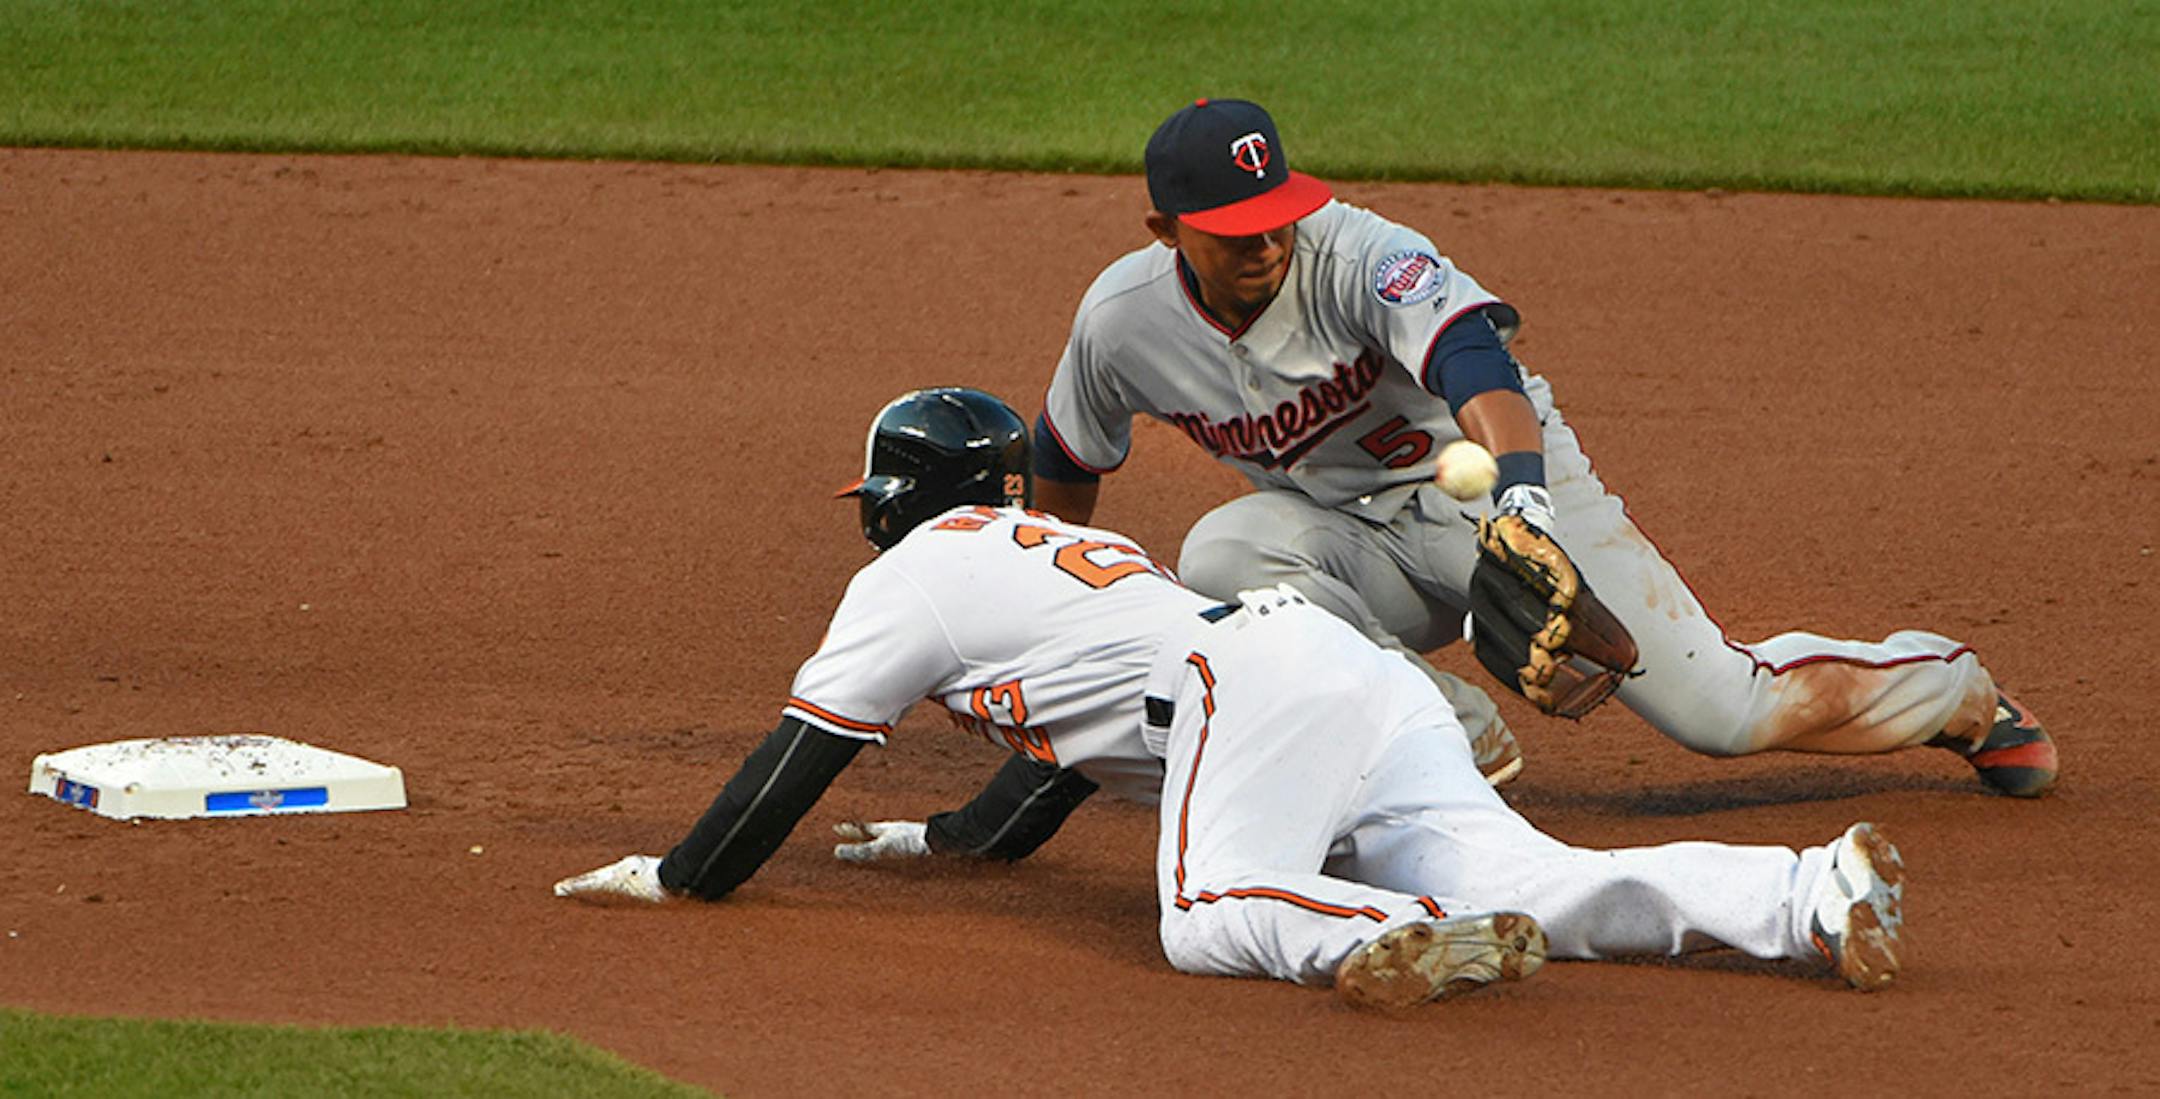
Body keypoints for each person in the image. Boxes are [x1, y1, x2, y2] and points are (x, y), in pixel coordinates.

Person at [553, 387, 1910, 1005]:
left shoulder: (910, 576)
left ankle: (1386, 929)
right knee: (1539, 876)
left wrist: (685, 876)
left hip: (1248, 685)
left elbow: (798, 758)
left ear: (893, 495)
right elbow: (1066, 744)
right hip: (1341, 675)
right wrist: (950, 838)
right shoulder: (1051, 558)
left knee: (1207, 917)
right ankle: (1803, 892)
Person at [1025, 97, 2056, 797]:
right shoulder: (1120, 322)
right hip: (1348, 540)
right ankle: (1441, 723)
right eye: (1234, 229)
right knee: (1222, 555)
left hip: (1505, 499)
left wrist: (1523, 499)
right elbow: (1066, 463)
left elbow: (1476, 361)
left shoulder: (1355, 251)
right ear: (1166, 229)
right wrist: (1049, 635)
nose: (1266, 243)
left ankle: (1948, 687)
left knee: (1726, 713)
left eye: (1276, 218)